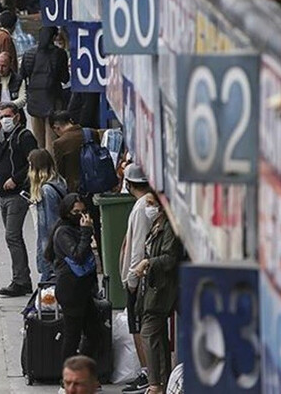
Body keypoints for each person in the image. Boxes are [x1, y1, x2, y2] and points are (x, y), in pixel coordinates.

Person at [0, 102, 37, 297]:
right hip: (4, 196)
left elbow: (34, 163)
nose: (4, 120)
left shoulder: (24, 136)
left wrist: (16, 179)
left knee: (12, 236)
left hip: (17, 195)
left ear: (17, 117)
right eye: (1, 116)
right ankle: (22, 279)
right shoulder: (4, 137)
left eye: (7, 116)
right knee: (13, 237)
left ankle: (20, 280)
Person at [131, 202, 183, 393]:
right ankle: (161, 381)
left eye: (152, 203)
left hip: (162, 290)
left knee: (149, 333)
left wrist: (147, 263)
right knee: (157, 335)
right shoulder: (156, 226)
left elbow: (170, 259)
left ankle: (156, 384)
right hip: (154, 288)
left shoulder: (168, 227)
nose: (149, 207)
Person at [44, 193, 100, 363]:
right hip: (71, 290)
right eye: (76, 212)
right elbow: (78, 256)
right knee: (72, 335)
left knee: (94, 331)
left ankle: (82, 368)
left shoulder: (77, 228)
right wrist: (86, 232)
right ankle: (68, 373)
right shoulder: (63, 232)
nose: (81, 216)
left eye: (83, 211)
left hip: (83, 289)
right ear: (67, 212)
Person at [118, 164, 158, 393]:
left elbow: (138, 246)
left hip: (139, 278)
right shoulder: (145, 205)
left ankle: (147, 373)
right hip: (140, 276)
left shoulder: (142, 207)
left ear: (129, 183)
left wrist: (132, 279)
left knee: (138, 327)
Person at [22, 27, 70, 152]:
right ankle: (51, 164)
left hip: (34, 101)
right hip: (53, 101)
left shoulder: (29, 53)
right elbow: (65, 78)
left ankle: (40, 163)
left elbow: (22, 75)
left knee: (38, 142)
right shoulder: (59, 54)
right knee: (52, 142)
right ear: (54, 37)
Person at [27, 148, 67, 282]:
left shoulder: (46, 190)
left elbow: (50, 223)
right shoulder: (59, 182)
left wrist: (47, 254)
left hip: (50, 248)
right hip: (55, 245)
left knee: (48, 283)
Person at [49, 111, 105, 194]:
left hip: (76, 187)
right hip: (98, 182)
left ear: (56, 128)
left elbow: (61, 170)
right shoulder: (91, 133)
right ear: (71, 121)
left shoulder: (59, 143)